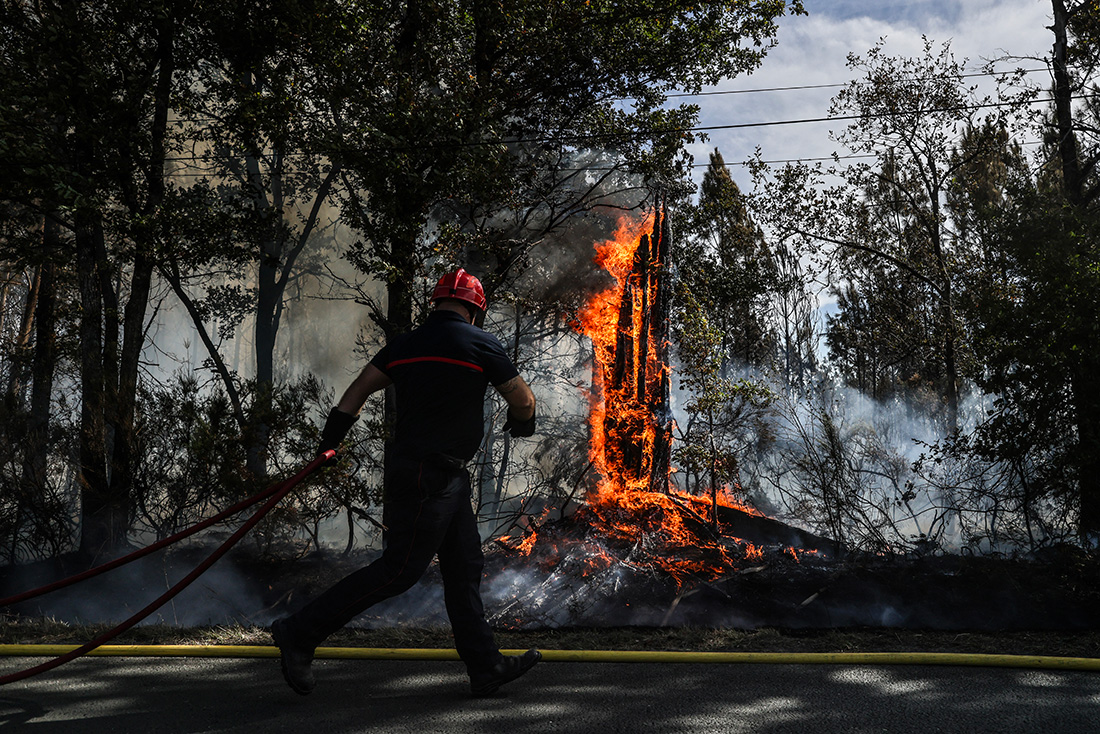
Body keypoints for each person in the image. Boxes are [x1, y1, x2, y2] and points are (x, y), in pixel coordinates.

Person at [271, 268, 540, 697]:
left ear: (435, 303)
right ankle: (299, 632)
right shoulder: (480, 343)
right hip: (430, 477)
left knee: (463, 567)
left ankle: (485, 665)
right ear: (475, 309)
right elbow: (523, 400)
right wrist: (522, 423)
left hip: (427, 474)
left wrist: (330, 445)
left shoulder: (403, 346)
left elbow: (354, 396)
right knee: (398, 571)